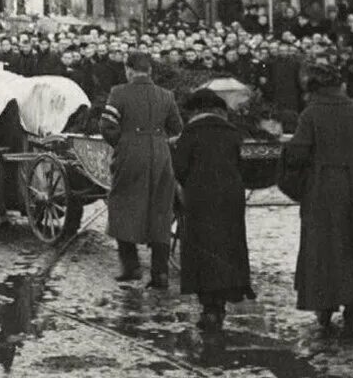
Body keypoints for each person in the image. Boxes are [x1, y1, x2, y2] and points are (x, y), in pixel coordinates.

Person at [278, 63, 353, 338]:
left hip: (325, 192)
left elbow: (296, 154)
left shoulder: (311, 114)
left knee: (326, 248)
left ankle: (325, 304)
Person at [172, 89, 254, 347]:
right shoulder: (232, 133)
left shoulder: (190, 133)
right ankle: (222, 303)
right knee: (227, 248)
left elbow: (179, 168)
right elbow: (245, 166)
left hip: (200, 199)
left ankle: (209, 308)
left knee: (203, 250)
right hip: (230, 198)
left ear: (195, 111)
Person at [101, 51, 183, 289]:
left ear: (128, 70)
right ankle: (160, 274)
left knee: (121, 205)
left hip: (130, 155)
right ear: (150, 71)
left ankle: (131, 266)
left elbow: (107, 125)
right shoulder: (166, 96)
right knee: (161, 211)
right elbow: (177, 130)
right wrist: (159, 143)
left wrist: (123, 143)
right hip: (160, 156)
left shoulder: (119, 93)